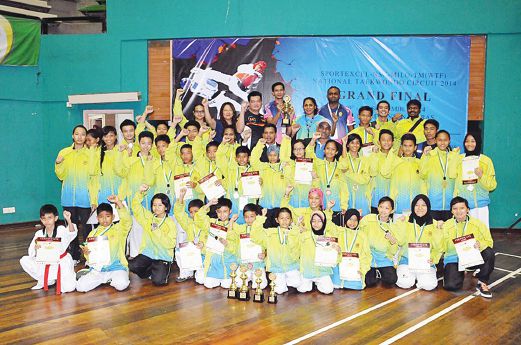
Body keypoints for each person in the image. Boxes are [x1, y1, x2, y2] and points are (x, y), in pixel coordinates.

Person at [55, 124, 96, 261]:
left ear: (86, 137)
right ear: (73, 136)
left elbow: (93, 176)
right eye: (77, 134)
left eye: (83, 134)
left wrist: (93, 199)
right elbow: (60, 175)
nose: (80, 137)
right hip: (68, 198)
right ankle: (74, 255)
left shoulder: (90, 153)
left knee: (87, 229)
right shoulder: (64, 152)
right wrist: (58, 163)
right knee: (70, 228)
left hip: (85, 198)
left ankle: (89, 256)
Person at [76, 196, 132, 292]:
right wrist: (86, 253)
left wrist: (118, 202)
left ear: (113, 217)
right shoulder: (93, 233)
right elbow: (89, 255)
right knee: (80, 287)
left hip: (116, 267)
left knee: (122, 285)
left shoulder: (119, 229)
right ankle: (100, 277)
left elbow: (127, 221)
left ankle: (111, 278)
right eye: (101, 217)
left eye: (108, 216)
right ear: (97, 218)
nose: (104, 219)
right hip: (99, 269)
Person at [441, 197, 495, 298]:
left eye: (462, 208)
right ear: (451, 211)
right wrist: (459, 245)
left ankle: (482, 282)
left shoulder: (478, 224)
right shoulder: (447, 225)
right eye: (455, 208)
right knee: (451, 286)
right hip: (455, 258)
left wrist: (480, 244)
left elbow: (489, 241)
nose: (459, 211)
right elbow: (444, 247)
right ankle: (460, 272)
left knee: (489, 252)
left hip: (473, 258)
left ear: (467, 210)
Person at [20, 206, 77, 294]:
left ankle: (62, 278)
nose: (47, 221)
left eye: (49, 218)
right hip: (46, 261)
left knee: (69, 288)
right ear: (41, 219)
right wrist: (36, 248)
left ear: (56, 218)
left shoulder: (61, 229)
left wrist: (69, 220)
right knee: (24, 260)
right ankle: (49, 279)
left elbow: (71, 234)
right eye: (44, 218)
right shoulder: (39, 233)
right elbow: (31, 252)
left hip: (62, 262)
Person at [128, 186, 177, 286]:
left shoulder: (170, 223)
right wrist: (140, 192)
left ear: (166, 207)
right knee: (132, 265)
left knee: (158, 282)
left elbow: (171, 244)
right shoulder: (148, 218)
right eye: (154, 205)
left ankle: (159, 270)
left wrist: (157, 231)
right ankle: (151, 271)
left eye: (160, 205)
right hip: (148, 254)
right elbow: (136, 208)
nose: (156, 208)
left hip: (163, 256)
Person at [395, 195, 442, 291]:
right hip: (407, 260)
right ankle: (413, 276)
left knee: (429, 285)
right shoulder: (405, 221)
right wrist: (401, 224)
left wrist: (433, 259)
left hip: (426, 262)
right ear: (412, 207)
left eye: (423, 205)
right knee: (404, 283)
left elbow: (439, 247)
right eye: (417, 205)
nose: (420, 208)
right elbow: (399, 241)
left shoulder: (435, 224)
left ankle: (418, 276)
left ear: (428, 207)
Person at [251, 207, 301, 294]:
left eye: (287, 218)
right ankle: (280, 280)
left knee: (298, 283)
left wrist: (296, 228)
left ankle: (286, 279)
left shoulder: (294, 233)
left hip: (291, 266)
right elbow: (255, 235)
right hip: (276, 267)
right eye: (282, 218)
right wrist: (261, 218)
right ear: (277, 220)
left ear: (291, 220)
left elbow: (299, 247)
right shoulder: (270, 233)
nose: (285, 221)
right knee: (279, 291)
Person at [454, 132, 497, 228]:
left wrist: (482, 176)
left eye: (473, 141)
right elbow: (452, 176)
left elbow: (492, 185)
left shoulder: (486, 161)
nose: (469, 144)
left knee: (482, 234)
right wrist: (453, 156)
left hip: (480, 206)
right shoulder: (458, 159)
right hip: (463, 206)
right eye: (467, 141)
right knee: (465, 237)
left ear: (478, 142)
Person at [194, 197, 236, 289]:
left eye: (225, 211)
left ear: (230, 211)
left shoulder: (235, 226)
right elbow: (198, 219)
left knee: (226, 285)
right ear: (216, 212)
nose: (222, 214)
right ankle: (204, 271)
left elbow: (235, 248)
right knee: (208, 284)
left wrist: (227, 244)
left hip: (226, 262)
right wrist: (209, 204)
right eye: (219, 211)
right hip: (212, 263)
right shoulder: (211, 223)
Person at [381, 133, 425, 217]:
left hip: (417, 209)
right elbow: (384, 173)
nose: (407, 148)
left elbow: (424, 184)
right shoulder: (396, 161)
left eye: (410, 146)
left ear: (415, 147)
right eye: (405, 145)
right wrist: (391, 154)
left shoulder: (420, 163)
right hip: (398, 208)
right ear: (401, 146)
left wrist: (423, 204)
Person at [420, 130, 460, 221]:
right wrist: (425, 156)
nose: (442, 142)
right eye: (440, 140)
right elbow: (422, 174)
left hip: (450, 203)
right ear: (435, 140)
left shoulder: (454, 156)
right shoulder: (430, 155)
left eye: (445, 140)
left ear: (449, 141)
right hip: (433, 202)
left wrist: (454, 156)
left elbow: (455, 175)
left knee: (449, 232)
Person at [360, 197, 400, 287]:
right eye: (381, 207)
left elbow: (393, 251)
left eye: (387, 208)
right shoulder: (368, 219)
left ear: (392, 210)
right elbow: (359, 234)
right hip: (368, 257)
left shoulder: (393, 227)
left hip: (384, 259)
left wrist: (393, 242)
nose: (383, 210)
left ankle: (379, 270)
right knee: (369, 282)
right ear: (377, 207)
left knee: (391, 279)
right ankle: (375, 272)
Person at [296, 210, 339, 294]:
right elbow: (294, 248)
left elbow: (335, 259)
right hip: (307, 271)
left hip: (322, 271)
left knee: (328, 290)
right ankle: (310, 282)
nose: (316, 224)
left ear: (324, 222)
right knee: (302, 289)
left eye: (319, 221)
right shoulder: (304, 235)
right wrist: (297, 227)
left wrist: (338, 251)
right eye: (313, 221)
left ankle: (317, 283)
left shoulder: (329, 237)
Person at [227, 204, 268, 289]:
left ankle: (254, 277)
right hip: (244, 263)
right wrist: (231, 221)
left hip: (257, 263)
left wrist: (265, 254)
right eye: (246, 217)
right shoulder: (241, 228)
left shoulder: (262, 230)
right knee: (237, 283)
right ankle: (248, 277)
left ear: (257, 216)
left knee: (260, 285)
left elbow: (267, 246)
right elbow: (231, 236)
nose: (249, 219)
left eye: (252, 216)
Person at [305, 138, 348, 218]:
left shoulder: (339, 167)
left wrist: (344, 205)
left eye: (333, 149)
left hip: (336, 206)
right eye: (327, 148)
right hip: (320, 206)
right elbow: (309, 154)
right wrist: (313, 139)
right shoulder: (318, 164)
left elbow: (344, 189)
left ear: (336, 152)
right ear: (324, 150)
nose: (330, 151)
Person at [331, 209, 372, 290]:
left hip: (355, 267)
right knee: (335, 285)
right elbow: (328, 225)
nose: (352, 223)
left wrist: (362, 270)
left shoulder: (362, 235)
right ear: (346, 219)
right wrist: (328, 209)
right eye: (350, 219)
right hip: (340, 264)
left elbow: (367, 255)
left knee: (358, 287)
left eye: (355, 220)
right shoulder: (339, 231)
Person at [251, 136, 289, 210]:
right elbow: (253, 161)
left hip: (280, 205)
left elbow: (286, 157)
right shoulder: (264, 167)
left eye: (275, 155)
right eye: (270, 155)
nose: (272, 157)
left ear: (278, 156)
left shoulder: (283, 167)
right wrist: (259, 145)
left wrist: (286, 142)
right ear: (267, 156)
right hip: (265, 205)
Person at [279, 136, 314, 208]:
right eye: (295, 149)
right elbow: (283, 156)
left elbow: (311, 150)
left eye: (300, 148)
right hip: (292, 203)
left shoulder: (311, 164)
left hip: (308, 204)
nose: (298, 151)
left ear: (305, 150)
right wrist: (286, 140)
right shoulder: (289, 164)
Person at [341, 133, 371, 216]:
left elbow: (365, 179)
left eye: (357, 142)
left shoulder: (365, 160)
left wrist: (348, 173)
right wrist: (343, 144)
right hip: (348, 195)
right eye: (352, 142)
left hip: (362, 196)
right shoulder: (343, 158)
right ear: (348, 145)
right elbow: (343, 166)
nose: (355, 145)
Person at [93, 126, 122, 205]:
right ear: (102, 138)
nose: (108, 138)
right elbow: (93, 175)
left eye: (111, 136)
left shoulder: (121, 151)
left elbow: (125, 174)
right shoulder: (97, 153)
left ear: (115, 136)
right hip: (103, 195)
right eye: (105, 136)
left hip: (119, 195)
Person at [368, 129, 393, 214]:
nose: (386, 142)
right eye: (383, 140)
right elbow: (372, 172)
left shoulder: (395, 158)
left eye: (389, 140)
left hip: (390, 201)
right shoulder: (373, 155)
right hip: (375, 199)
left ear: (392, 142)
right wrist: (374, 155)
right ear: (379, 142)